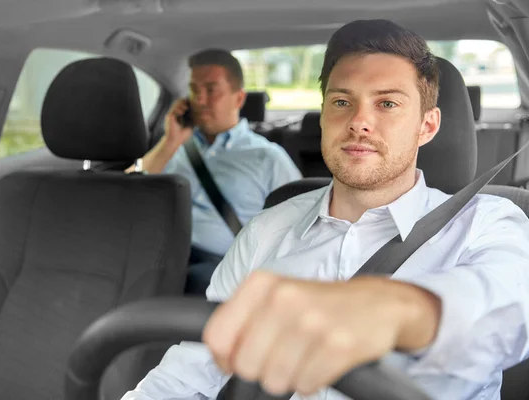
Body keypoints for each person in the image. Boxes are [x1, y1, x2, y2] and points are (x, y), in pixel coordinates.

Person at [122, 19, 529, 400]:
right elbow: (188, 373)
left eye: (387, 104)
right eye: (341, 101)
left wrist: (398, 310)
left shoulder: (488, 223)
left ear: (427, 126)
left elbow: (512, 311)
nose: (359, 122)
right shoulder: (266, 232)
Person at [125, 49, 302, 294]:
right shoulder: (173, 144)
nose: (200, 99)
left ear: (238, 99)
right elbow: (127, 190)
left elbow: (299, 230)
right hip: (156, 259)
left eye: (211, 89)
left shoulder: (267, 157)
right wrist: (169, 143)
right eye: (194, 90)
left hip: (221, 268)